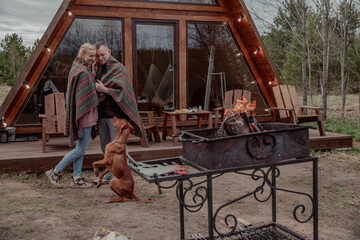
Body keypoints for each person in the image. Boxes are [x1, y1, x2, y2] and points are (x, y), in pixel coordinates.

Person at [46, 43, 99, 188]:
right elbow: (90, 93)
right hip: (84, 116)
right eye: (90, 56)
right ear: (82, 55)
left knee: (80, 148)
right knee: (80, 149)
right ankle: (55, 172)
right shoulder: (82, 72)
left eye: (94, 56)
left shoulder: (77, 68)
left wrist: (92, 71)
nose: (93, 58)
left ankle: (76, 178)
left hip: (82, 116)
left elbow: (86, 85)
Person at [93, 42, 143, 184]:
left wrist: (105, 90)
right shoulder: (97, 68)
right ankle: (110, 174)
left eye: (103, 54)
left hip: (115, 116)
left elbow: (125, 92)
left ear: (109, 51)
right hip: (101, 114)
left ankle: (124, 176)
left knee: (118, 148)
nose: (100, 57)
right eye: (98, 55)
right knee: (105, 147)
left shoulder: (118, 68)